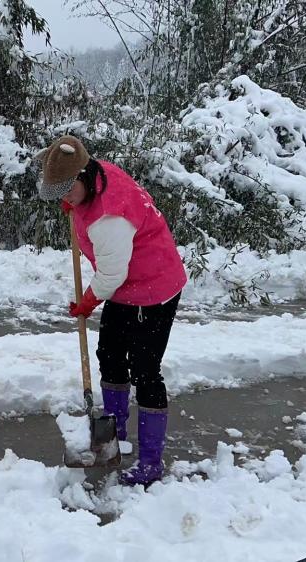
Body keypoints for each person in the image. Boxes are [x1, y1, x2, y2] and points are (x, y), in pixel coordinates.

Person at [36, 135, 187, 487]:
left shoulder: (110, 218)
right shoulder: (95, 178)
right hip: (126, 286)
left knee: (146, 370)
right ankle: (114, 432)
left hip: (153, 288)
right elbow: (114, 272)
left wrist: (88, 301)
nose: (64, 197)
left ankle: (151, 461)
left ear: (84, 175)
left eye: (66, 190)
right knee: (110, 354)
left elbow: (111, 274)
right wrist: (76, 205)